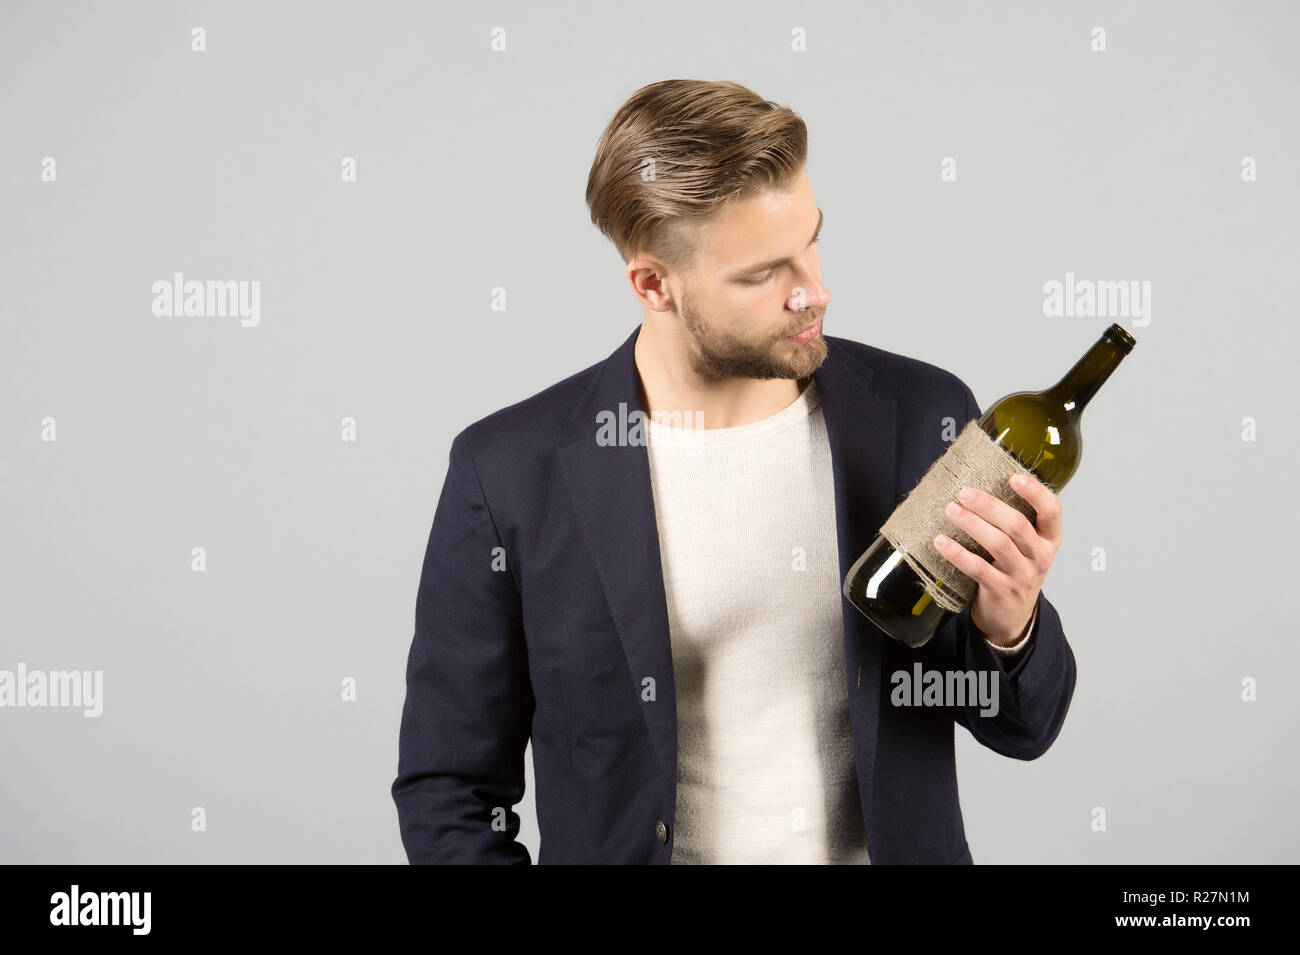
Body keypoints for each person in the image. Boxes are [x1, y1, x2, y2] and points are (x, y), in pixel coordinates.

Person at [391, 79, 1076, 864]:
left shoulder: (924, 413)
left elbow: (1024, 726)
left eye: (813, 240)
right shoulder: (510, 471)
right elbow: (448, 789)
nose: (815, 291)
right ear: (654, 284)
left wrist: (1012, 626)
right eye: (763, 274)